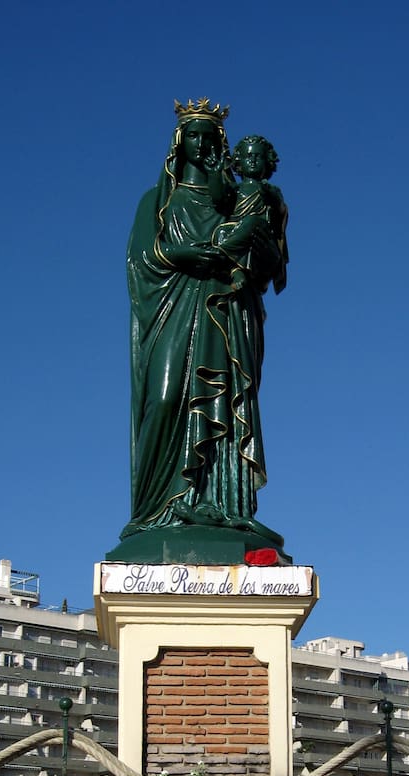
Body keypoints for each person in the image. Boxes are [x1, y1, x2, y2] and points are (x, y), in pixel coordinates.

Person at [120, 99, 284, 547]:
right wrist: (184, 254)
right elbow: (139, 259)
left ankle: (220, 505)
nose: (200, 142)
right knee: (167, 395)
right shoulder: (157, 201)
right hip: (173, 307)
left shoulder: (233, 200)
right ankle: (158, 507)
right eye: (192, 134)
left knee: (226, 405)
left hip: (224, 310)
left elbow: (265, 259)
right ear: (179, 143)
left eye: (208, 135)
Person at [215, 134, 288, 296]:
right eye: (248, 156)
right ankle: (237, 270)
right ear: (238, 161)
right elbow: (218, 197)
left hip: (263, 242)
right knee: (221, 232)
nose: (253, 160)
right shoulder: (235, 189)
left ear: (267, 161)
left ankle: (220, 253)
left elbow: (281, 210)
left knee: (253, 222)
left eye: (258, 156)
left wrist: (270, 195)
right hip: (240, 238)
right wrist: (215, 173)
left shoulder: (271, 191)